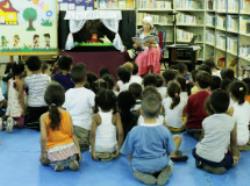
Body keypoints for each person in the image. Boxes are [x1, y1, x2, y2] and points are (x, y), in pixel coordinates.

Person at [121, 87, 175, 185]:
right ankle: (165, 172)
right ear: (159, 112)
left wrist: (134, 160)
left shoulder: (134, 131)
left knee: (133, 167)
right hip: (160, 163)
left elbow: (127, 153)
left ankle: (140, 174)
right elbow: (170, 151)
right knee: (170, 163)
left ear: (141, 111)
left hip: (140, 165)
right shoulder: (164, 130)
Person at [193, 89, 239, 174]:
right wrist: (235, 157)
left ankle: (202, 163)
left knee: (196, 150)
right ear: (228, 105)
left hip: (199, 153)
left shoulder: (206, 120)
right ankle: (213, 167)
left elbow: (202, 138)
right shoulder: (232, 121)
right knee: (228, 161)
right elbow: (233, 143)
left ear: (211, 106)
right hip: (217, 160)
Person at [40, 83, 81, 172]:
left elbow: (43, 138)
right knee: (71, 154)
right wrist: (78, 152)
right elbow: (72, 134)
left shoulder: (43, 117)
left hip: (54, 152)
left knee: (44, 161)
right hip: (70, 149)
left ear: (46, 99)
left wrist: (43, 154)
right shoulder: (67, 114)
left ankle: (57, 163)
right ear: (63, 100)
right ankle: (71, 161)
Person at [63, 64, 95, 151]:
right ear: (85, 78)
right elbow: (95, 111)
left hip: (69, 129)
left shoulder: (67, 93)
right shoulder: (90, 93)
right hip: (84, 129)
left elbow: (63, 111)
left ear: (71, 79)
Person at [90, 89, 124, 161]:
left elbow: (92, 134)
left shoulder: (96, 116)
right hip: (112, 150)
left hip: (97, 150)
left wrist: (93, 151)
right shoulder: (116, 115)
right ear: (114, 102)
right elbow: (120, 133)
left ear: (98, 103)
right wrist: (118, 149)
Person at [24, 56, 51, 130]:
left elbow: (24, 88)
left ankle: (34, 124)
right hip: (44, 106)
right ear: (41, 65)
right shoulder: (47, 78)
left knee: (31, 125)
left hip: (32, 107)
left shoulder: (27, 79)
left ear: (29, 68)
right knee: (45, 124)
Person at [184, 71, 211, 140]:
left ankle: (199, 136)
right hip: (207, 127)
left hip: (192, 127)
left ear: (196, 83)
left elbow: (187, 114)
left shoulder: (192, 97)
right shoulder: (212, 97)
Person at [229, 81, 250, 150]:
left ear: (231, 94)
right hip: (246, 138)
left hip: (235, 140)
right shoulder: (248, 105)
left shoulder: (231, 108)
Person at [5, 62, 25, 132]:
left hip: (10, 107)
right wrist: (23, 109)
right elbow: (21, 97)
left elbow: (8, 95)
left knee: (11, 118)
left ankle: (5, 123)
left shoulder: (9, 81)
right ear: (21, 72)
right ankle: (14, 123)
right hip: (17, 107)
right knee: (22, 124)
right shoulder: (20, 82)